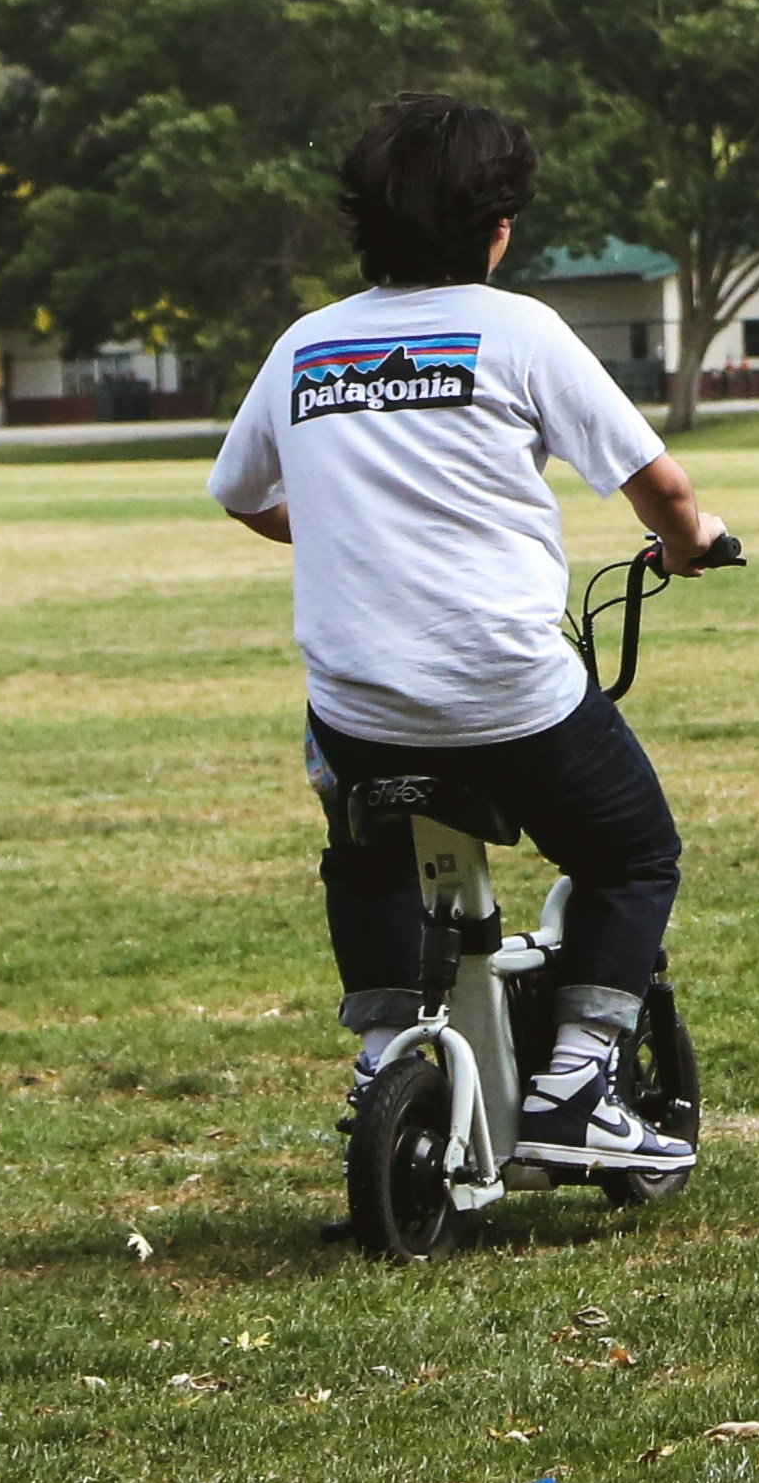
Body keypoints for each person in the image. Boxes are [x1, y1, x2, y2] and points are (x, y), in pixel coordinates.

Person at [207, 91, 732, 1179]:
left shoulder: (308, 344)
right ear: (498, 229)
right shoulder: (519, 329)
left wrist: (348, 531)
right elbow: (661, 487)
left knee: (368, 845)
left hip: (359, 705)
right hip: (505, 692)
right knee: (632, 852)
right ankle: (578, 1084)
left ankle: (385, 1050)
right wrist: (692, 544)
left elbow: (241, 491)